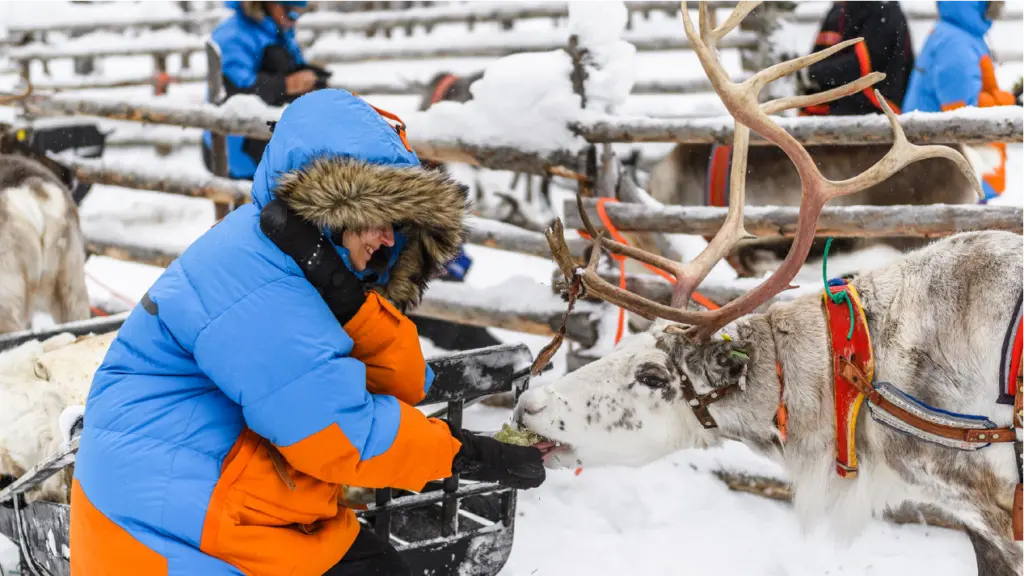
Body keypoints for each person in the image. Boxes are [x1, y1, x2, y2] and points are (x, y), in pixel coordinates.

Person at [69, 89, 545, 576]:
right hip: (165, 535)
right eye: (381, 216)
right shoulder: (258, 276)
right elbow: (337, 436)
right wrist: (466, 453)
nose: (388, 238)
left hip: (238, 510)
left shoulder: (301, 268)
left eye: (397, 224)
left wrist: (354, 305)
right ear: (338, 205)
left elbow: (402, 385)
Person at [201, 0, 330, 180]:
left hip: (271, 138)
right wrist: (287, 84)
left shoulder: (277, 30)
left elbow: (283, 68)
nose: (294, 19)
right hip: (238, 146)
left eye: (299, 12)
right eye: (290, 11)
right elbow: (237, 90)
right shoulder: (233, 36)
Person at [903, 0, 1012, 203]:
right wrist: (1006, 103)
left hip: (945, 171)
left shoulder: (960, 33)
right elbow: (963, 116)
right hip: (947, 178)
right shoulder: (956, 45)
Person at [794, 0, 915, 116]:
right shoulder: (840, 9)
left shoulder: (882, 9)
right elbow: (820, 56)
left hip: (873, 110)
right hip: (835, 107)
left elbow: (863, 66)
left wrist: (811, 73)